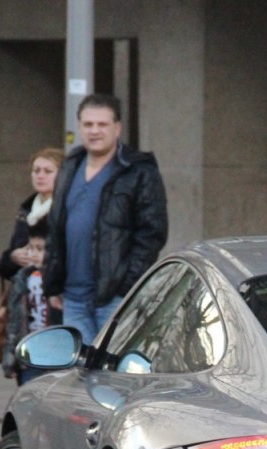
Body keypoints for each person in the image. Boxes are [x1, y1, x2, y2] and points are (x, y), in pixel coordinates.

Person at [43, 93, 168, 343]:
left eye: (102, 124)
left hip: (115, 300)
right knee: (82, 376)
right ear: (79, 127)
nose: (95, 131)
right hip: (73, 299)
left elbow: (153, 233)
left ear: (117, 128)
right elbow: (56, 229)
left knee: (112, 377)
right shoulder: (70, 166)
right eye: (88, 124)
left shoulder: (138, 171)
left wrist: (126, 286)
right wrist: (53, 282)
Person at [0, 147, 63, 282]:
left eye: (48, 171)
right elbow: (4, 266)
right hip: (24, 290)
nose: (40, 175)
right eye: (36, 171)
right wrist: (13, 257)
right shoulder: (27, 209)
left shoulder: (66, 209)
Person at [1, 216, 50, 385]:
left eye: (40, 249)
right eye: (31, 248)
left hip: (53, 350)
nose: (34, 254)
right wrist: (10, 360)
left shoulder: (58, 280)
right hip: (29, 352)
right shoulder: (22, 278)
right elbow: (14, 323)